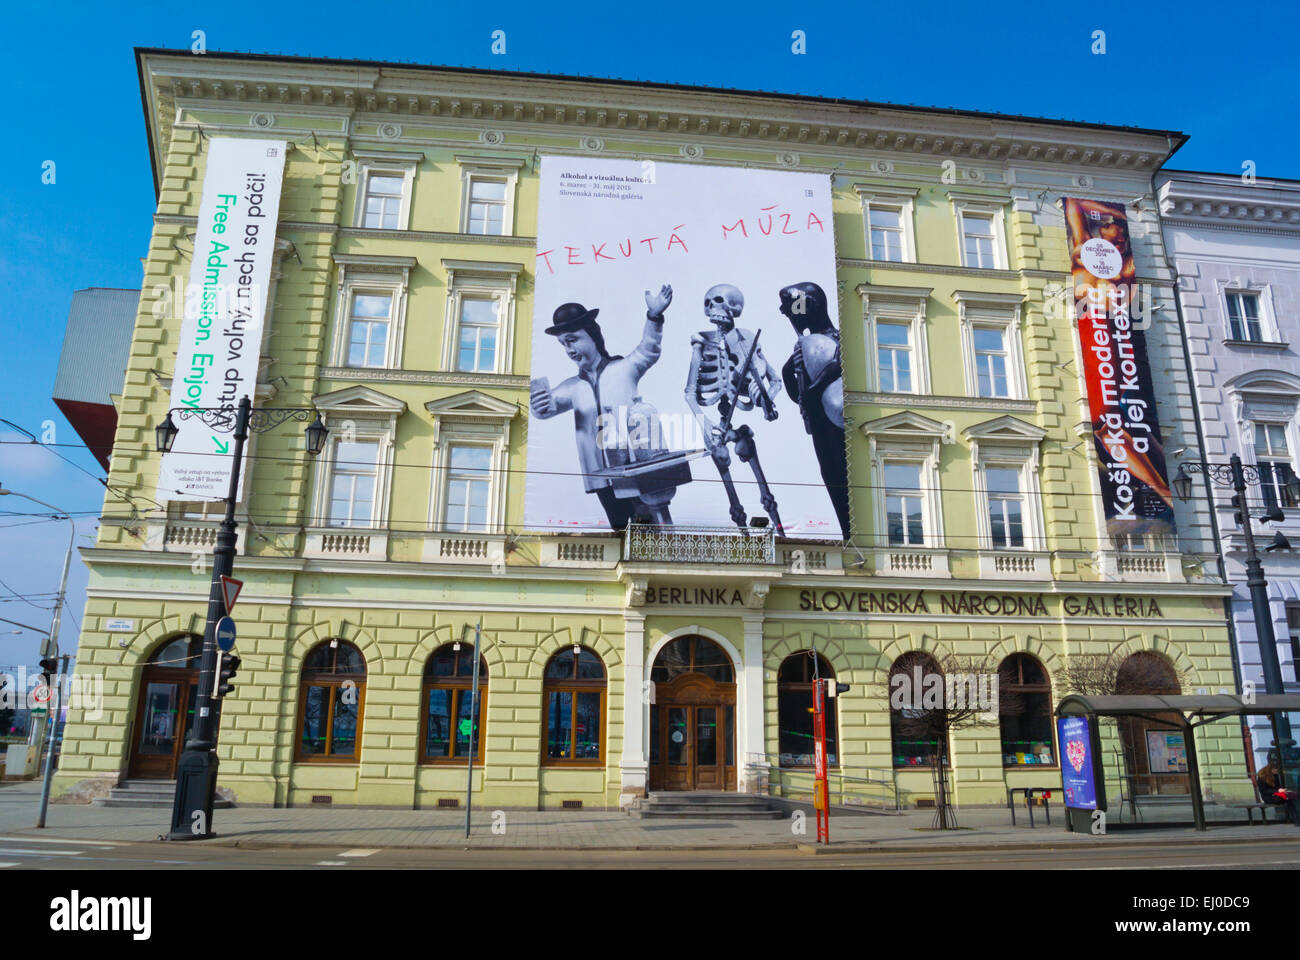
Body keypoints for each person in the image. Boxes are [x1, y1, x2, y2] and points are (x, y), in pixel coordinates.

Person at [531, 286, 672, 529]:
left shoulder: (623, 369)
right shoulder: (572, 388)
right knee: (621, 531)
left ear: (593, 335)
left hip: (636, 467)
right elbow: (546, 408)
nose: (569, 350)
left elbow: (649, 349)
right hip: (601, 478)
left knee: (653, 529)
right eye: (564, 344)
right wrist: (538, 406)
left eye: (573, 340)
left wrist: (654, 316)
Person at [779, 281, 850, 540]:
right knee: (833, 478)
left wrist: (812, 390)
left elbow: (838, 364)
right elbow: (796, 391)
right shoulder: (804, 347)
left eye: (793, 305)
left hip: (841, 426)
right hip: (821, 430)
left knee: (848, 475)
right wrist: (792, 370)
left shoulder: (839, 337)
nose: (786, 311)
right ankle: (847, 534)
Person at [1257, 759, 1297, 823]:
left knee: (1289, 799)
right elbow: (1263, 790)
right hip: (1268, 797)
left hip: (1276, 795)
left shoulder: (1275, 775)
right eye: (1275, 769)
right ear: (1270, 769)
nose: (1277, 771)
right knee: (1288, 799)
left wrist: (1282, 790)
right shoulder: (1262, 777)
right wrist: (1277, 790)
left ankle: (1296, 819)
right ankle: (1296, 820)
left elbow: (1278, 787)